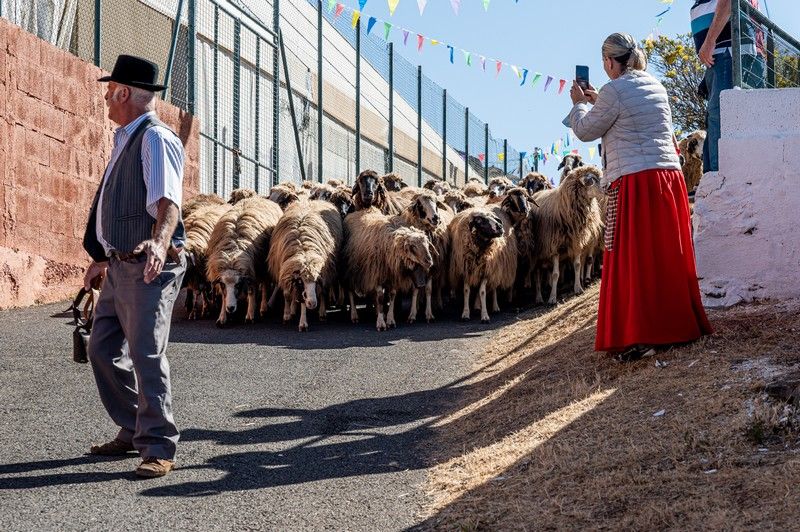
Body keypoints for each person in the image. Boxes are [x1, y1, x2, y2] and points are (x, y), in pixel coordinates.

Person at [567, 33, 713, 361]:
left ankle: (640, 335)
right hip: (668, 178)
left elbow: (587, 130)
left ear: (609, 61)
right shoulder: (656, 86)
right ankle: (676, 326)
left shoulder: (614, 90)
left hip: (635, 180)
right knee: (664, 253)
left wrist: (577, 103)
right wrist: (597, 102)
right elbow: (629, 117)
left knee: (630, 255)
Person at [82, 55, 187, 477]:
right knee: (102, 348)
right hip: (119, 264)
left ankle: (158, 445)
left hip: (148, 265)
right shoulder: (125, 137)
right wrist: (99, 258)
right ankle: (132, 424)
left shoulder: (155, 138)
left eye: (111, 90)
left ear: (124, 92)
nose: (107, 96)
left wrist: (160, 244)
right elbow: (116, 201)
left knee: (145, 352)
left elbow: (169, 202)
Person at [691, 0, 765, 172]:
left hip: (729, 53)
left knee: (721, 116)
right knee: (715, 118)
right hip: (719, 58)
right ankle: (714, 176)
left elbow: (728, 2)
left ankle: (722, 176)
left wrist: (709, 41)